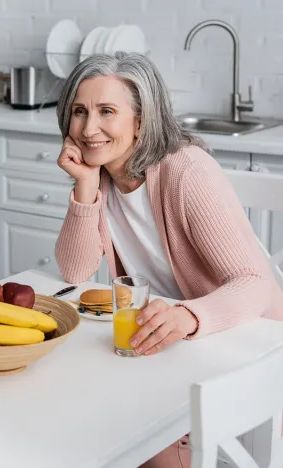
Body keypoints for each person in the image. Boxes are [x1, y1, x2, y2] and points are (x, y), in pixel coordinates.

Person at [54, 52, 283, 467]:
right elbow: (74, 270)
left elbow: (255, 282)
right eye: (79, 112)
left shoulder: (186, 171)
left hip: (244, 341)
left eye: (107, 111)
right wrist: (85, 186)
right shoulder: (102, 175)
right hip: (164, 341)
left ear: (141, 121)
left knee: (137, 437)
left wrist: (188, 316)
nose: (89, 129)